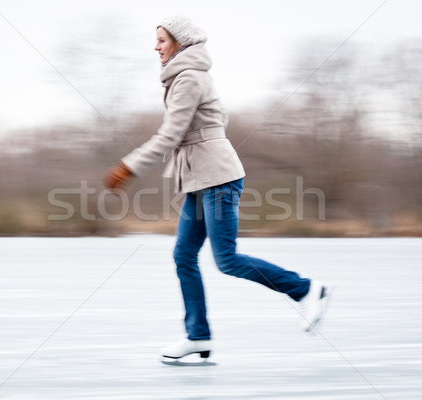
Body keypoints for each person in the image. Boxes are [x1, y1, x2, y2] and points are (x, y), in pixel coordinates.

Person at [104, 16, 329, 361]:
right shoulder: (188, 77)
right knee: (183, 255)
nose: (156, 46)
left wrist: (128, 166)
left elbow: (171, 134)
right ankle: (197, 336)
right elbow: (216, 119)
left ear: (179, 43)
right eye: (156, 40)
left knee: (226, 259)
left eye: (162, 40)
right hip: (201, 179)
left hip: (218, 179)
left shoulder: (189, 78)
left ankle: (307, 290)